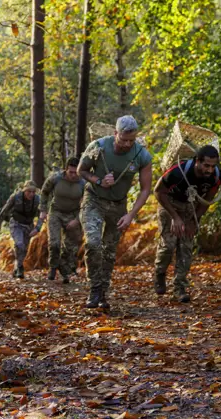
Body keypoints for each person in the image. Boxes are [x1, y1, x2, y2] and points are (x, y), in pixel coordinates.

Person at [78, 115, 153, 309]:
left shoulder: (142, 155)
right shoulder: (99, 146)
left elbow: (145, 189)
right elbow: (81, 170)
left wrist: (130, 215)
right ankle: (94, 288)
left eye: (132, 140)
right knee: (93, 243)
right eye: (123, 139)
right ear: (115, 134)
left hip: (118, 206)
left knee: (109, 252)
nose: (127, 144)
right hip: (93, 200)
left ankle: (103, 292)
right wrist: (99, 180)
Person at [153, 145, 221, 303]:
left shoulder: (216, 176)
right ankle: (160, 272)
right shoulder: (178, 171)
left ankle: (180, 288)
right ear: (197, 161)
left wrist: (194, 220)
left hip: (190, 207)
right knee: (168, 245)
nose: (210, 170)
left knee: (186, 247)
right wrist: (175, 217)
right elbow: (158, 191)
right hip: (170, 204)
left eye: (213, 166)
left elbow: (207, 200)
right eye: (206, 165)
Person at [40, 157, 85, 284]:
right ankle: (53, 266)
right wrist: (43, 210)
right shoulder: (55, 178)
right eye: (71, 172)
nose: (73, 175)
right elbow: (44, 192)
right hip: (56, 212)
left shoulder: (83, 183)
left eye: (76, 172)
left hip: (73, 214)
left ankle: (64, 271)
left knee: (70, 248)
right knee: (54, 244)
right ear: (66, 170)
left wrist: (77, 219)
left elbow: (87, 204)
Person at [0, 180, 43, 279]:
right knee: (19, 243)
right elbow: (6, 209)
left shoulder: (38, 200)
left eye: (33, 192)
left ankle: (17, 266)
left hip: (29, 226)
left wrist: (37, 228)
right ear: (24, 191)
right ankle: (20, 268)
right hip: (16, 224)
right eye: (29, 191)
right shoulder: (16, 197)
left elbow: (42, 216)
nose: (31, 194)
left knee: (24, 249)